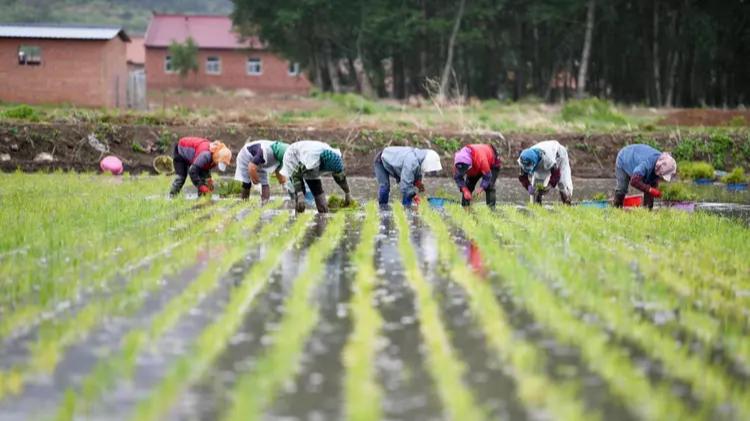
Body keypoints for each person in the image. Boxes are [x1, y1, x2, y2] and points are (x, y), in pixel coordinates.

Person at [279, 140, 352, 213]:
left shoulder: (336, 158)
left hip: (310, 159)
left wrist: (347, 193)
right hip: (293, 157)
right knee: (301, 199)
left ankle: (323, 216)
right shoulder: (312, 160)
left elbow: (340, 177)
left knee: (320, 197)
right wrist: (300, 194)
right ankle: (298, 216)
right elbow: (296, 175)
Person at [614, 144, 677, 209]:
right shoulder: (647, 164)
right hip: (624, 158)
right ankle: (616, 209)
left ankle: (647, 212)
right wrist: (650, 190)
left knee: (651, 184)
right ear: (659, 168)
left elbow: (652, 183)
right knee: (622, 188)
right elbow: (634, 181)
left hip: (638, 158)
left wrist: (653, 190)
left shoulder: (661, 161)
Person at [374, 146, 442, 206]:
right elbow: (405, 185)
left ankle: (406, 208)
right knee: (385, 187)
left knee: (409, 190)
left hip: (394, 162)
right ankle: (382, 208)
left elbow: (416, 174)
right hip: (381, 160)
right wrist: (415, 196)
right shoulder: (411, 162)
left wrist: (419, 183)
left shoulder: (418, 160)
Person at [517, 140, 573, 205]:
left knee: (562, 183)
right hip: (540, 161)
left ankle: (567, 203)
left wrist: (548, 186)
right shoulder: (522, 160)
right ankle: (537, 207)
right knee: (535, 187)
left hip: (559, 155)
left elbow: (556, 175)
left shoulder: (548, 158)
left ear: (534, 162)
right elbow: (522, 177)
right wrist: (529, 187)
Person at [453, 143, 501, 208]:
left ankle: (491, 209)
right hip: (475, 166)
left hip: (492, 161)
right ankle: (465, 208)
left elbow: (487, 176)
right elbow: (457, 177)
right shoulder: (458, 162)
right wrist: (464, 190)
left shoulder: (482, 160)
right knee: (468, 186)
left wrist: (482, 187)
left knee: (489, 186)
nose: (464, 172)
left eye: (466, 169)